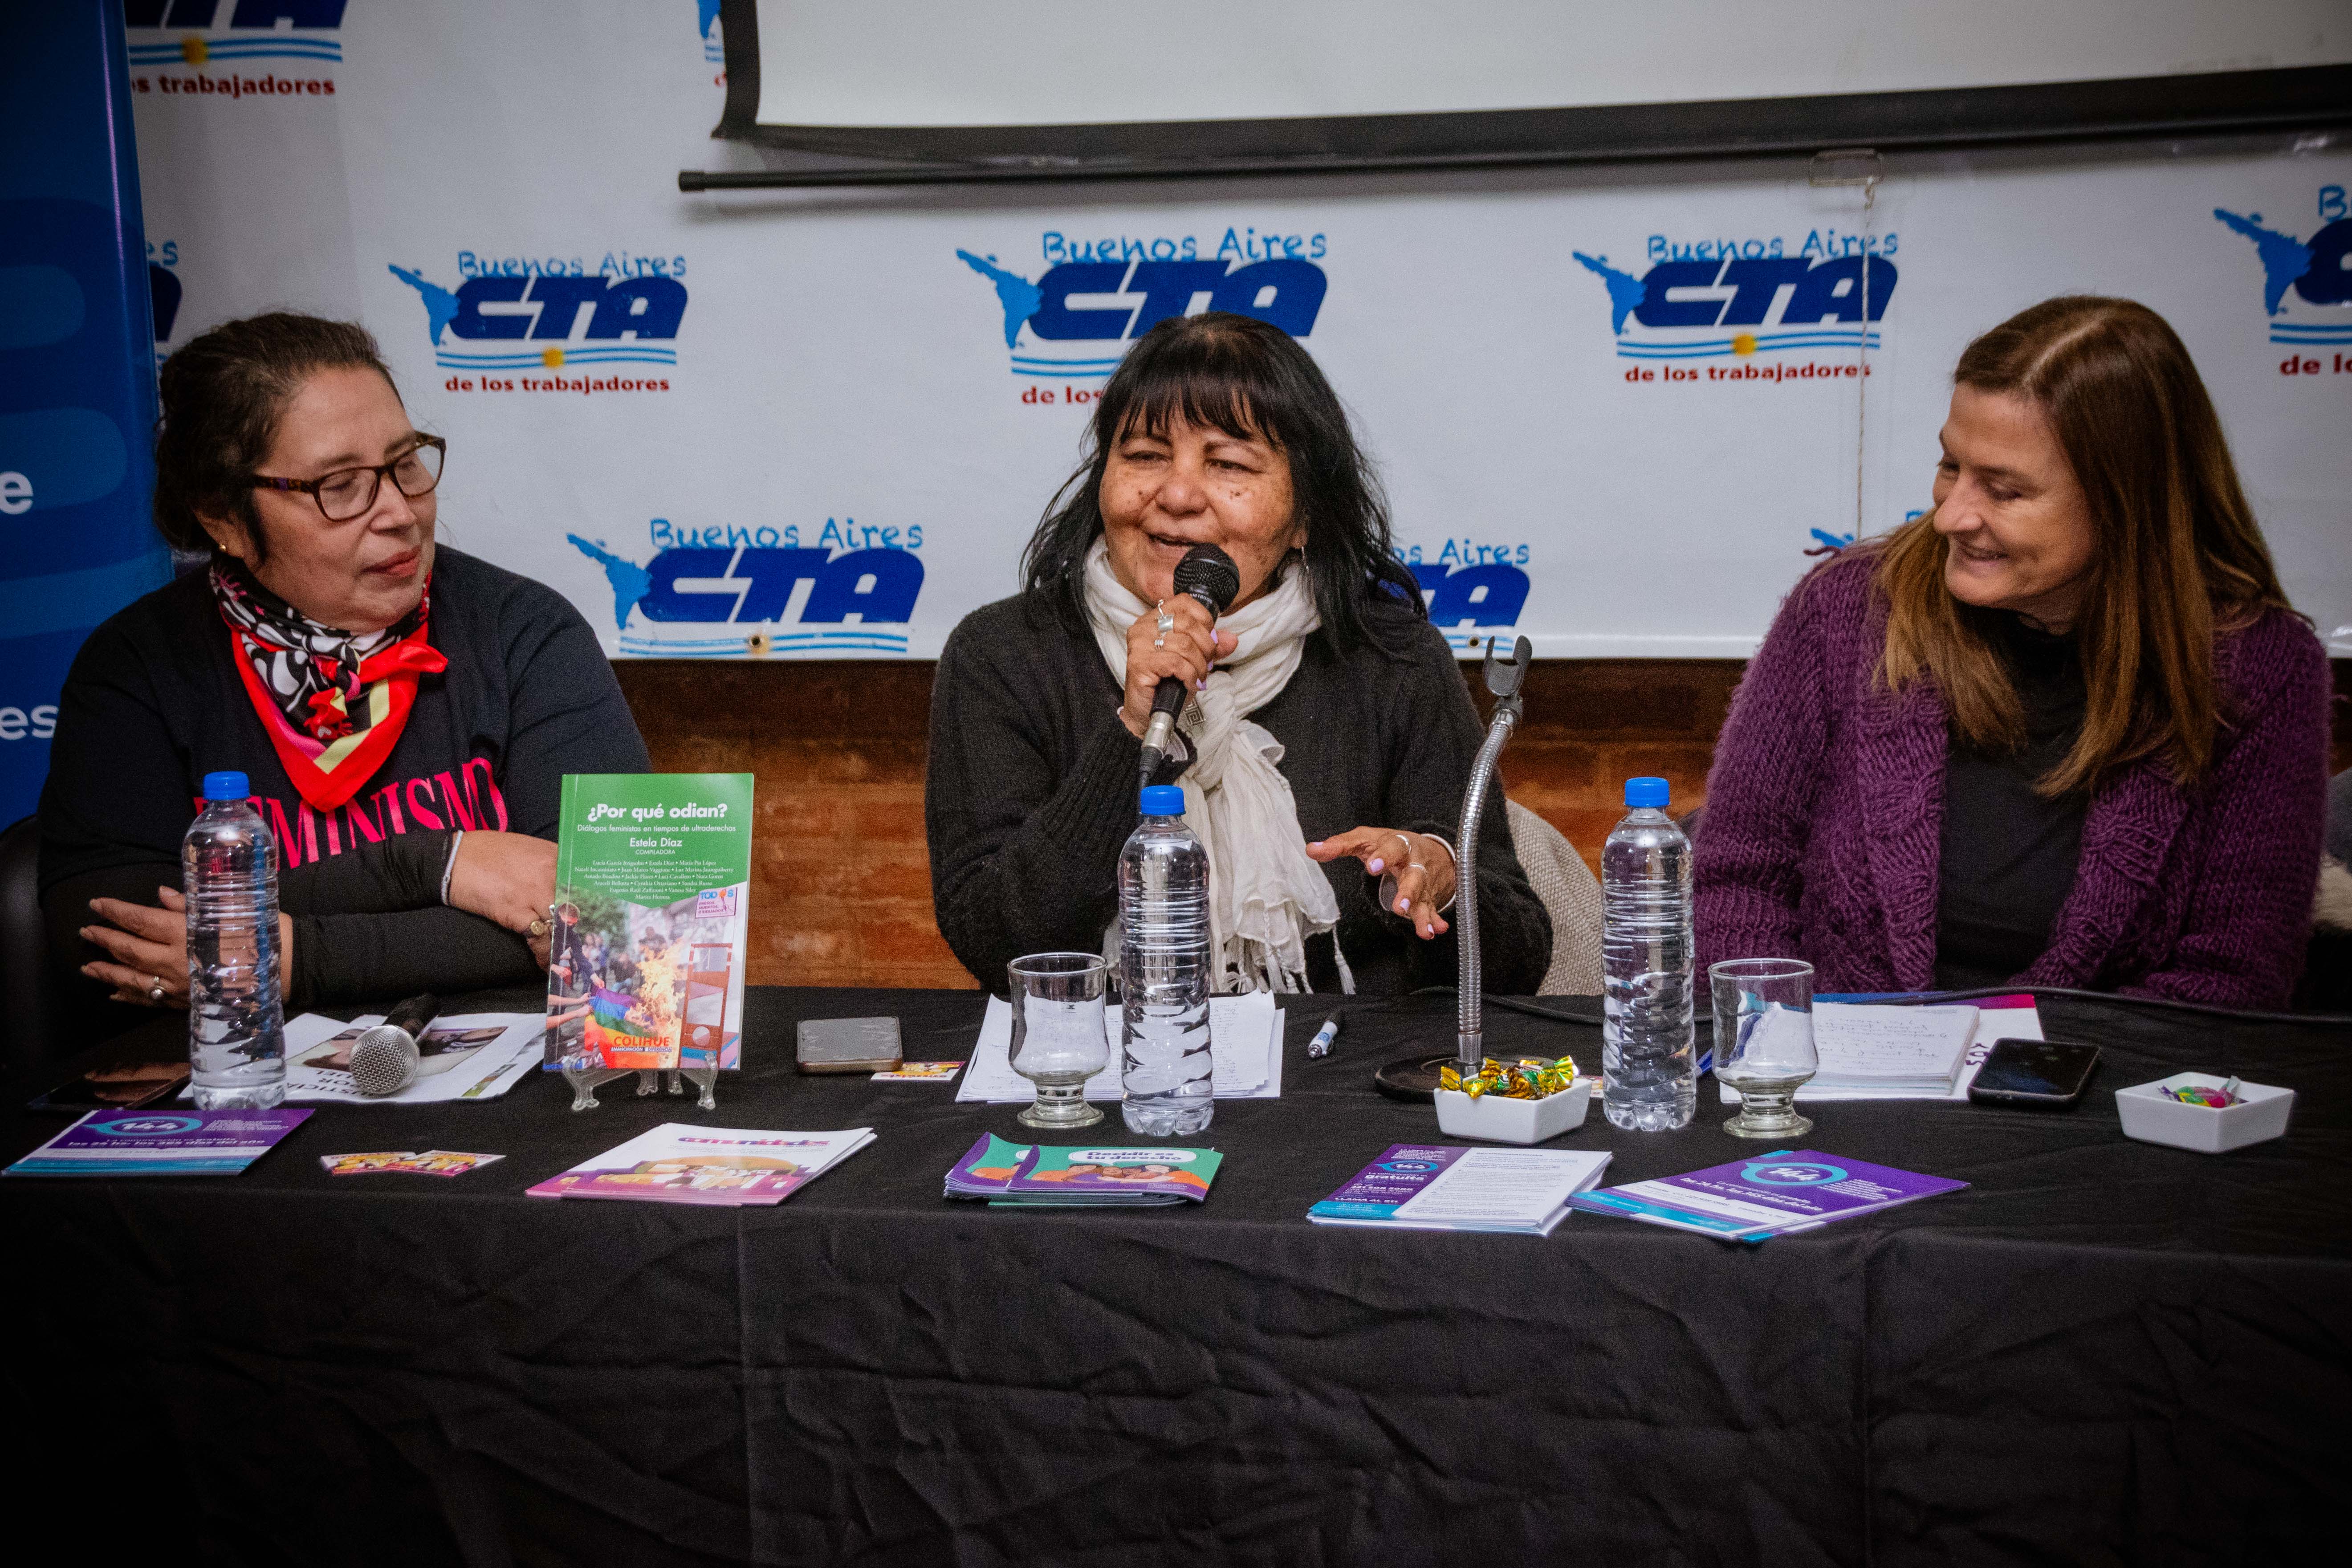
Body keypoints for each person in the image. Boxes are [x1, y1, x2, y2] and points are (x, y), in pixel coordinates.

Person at [1695, 296, 2329, 1008]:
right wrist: (1777, 1042)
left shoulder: (2261, 669)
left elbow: (2232, 980)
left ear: (2125, 502)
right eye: (1949, 465)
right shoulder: (1846, 608)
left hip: (2109, 1079)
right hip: (1828, 1071)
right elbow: (1739, 879)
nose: (1950, 515)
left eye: (2003, 490)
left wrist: (2021, 1059)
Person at [40, 312, 649, 1027]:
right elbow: (122, 940)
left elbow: (610, 918)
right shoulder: (138, 668)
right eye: (340, 485)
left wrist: (294, 956)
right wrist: (442, 864)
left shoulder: (524, 631)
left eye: (405, 463)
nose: (399, 513)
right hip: (241, 1076)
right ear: (224, 518)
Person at [926, 311, 1550, 996]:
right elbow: (995, 943)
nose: (1176, 496)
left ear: (1304, 514)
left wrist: (1439, 881)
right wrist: (1133, 730)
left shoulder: (1391, 660)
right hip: (1103, 1051)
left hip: (1338, 1057)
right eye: (1144, 456)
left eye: (1227, 464)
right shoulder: (1003, 655)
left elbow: (1519, 957)